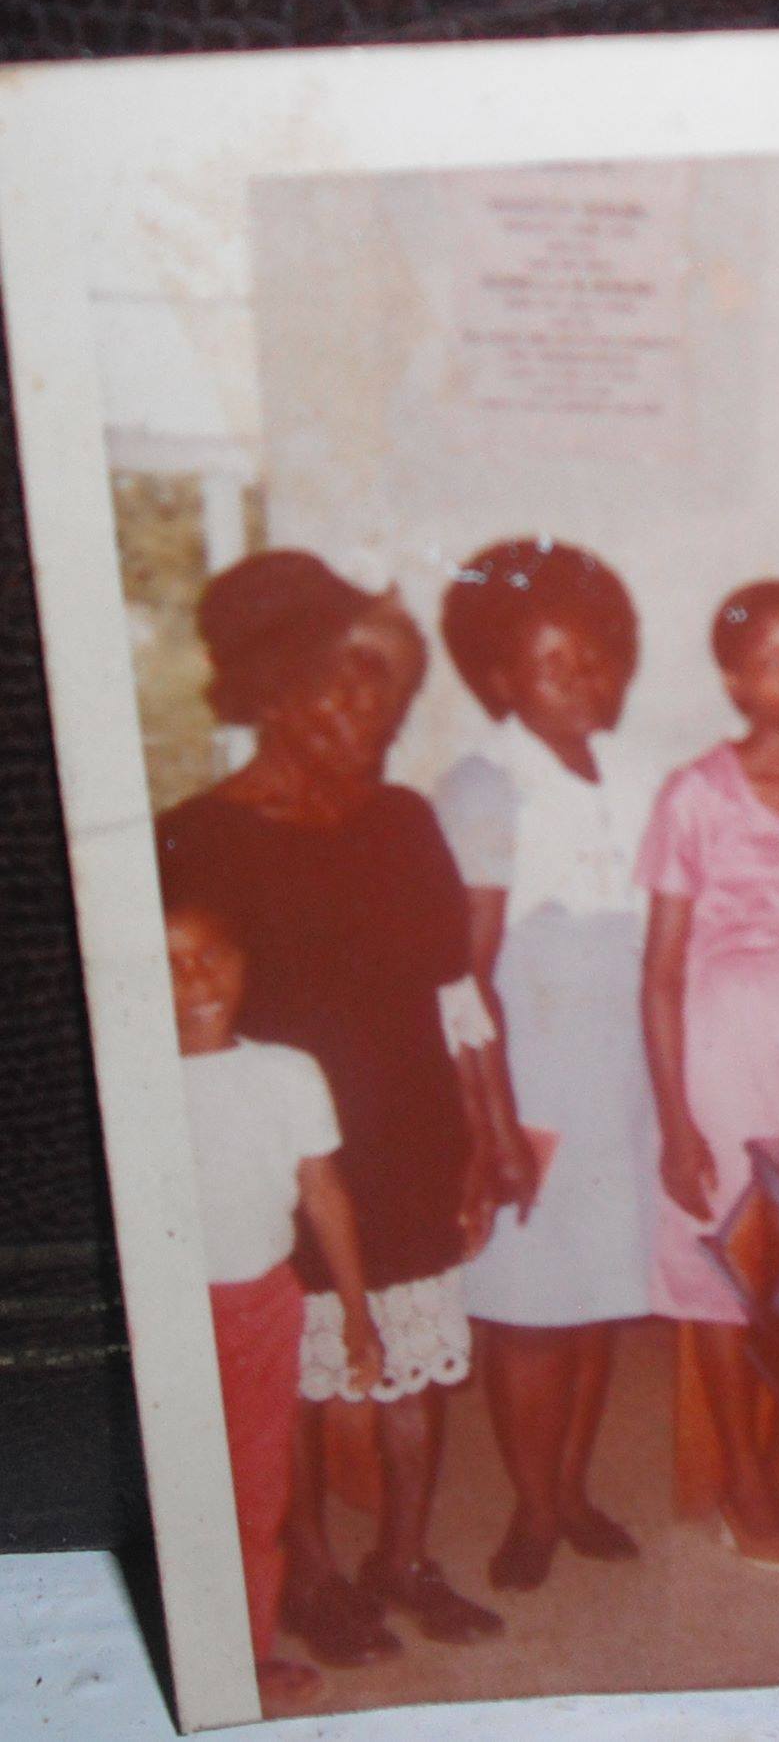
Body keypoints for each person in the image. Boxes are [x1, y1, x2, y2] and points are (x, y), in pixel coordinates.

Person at [156, 550, 506, 1665]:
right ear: (273, 693)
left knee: (415, 1356)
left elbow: (455, 992)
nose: (376, 714)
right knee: (293, 1371)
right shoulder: (195, 837)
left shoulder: (403, 820)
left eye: (383, 691)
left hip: (409, 1133)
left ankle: (404, 1557)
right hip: (281, 1159)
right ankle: (306, 1569)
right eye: (345, 689)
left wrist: (485, 1137)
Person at [433, 538, 657, 1593]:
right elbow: (463, 980)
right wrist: (491, 1131)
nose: (584, 679)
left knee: (596, 1295)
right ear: (500, 678)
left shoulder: (632, 775)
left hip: (618, 1086)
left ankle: (570, 1490)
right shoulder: (486, 788)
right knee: (530, 1312)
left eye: (597, 656)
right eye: (553, 663)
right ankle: (530, 1506)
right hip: (528, 1088)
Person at [638, 579, 779, 1570]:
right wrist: (674, 1120)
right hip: (724, 1055)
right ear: (733, 680)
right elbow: (660, 970)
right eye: (770, 659)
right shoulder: (697, 793)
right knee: (727, 1271)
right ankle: (741, 1478)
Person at [168, 891, 382, 1707]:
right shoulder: (131, 1081)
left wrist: (357, 1314)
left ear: (243, 961)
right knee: (179, 1489)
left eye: (211, 956)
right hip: (168, 1318)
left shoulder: (286, 1072)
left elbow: (325, 1194)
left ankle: (246, 1654)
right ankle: (179, 1657)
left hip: (264, 1304)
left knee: (258, 1488)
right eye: (168, 965)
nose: (196, 980)